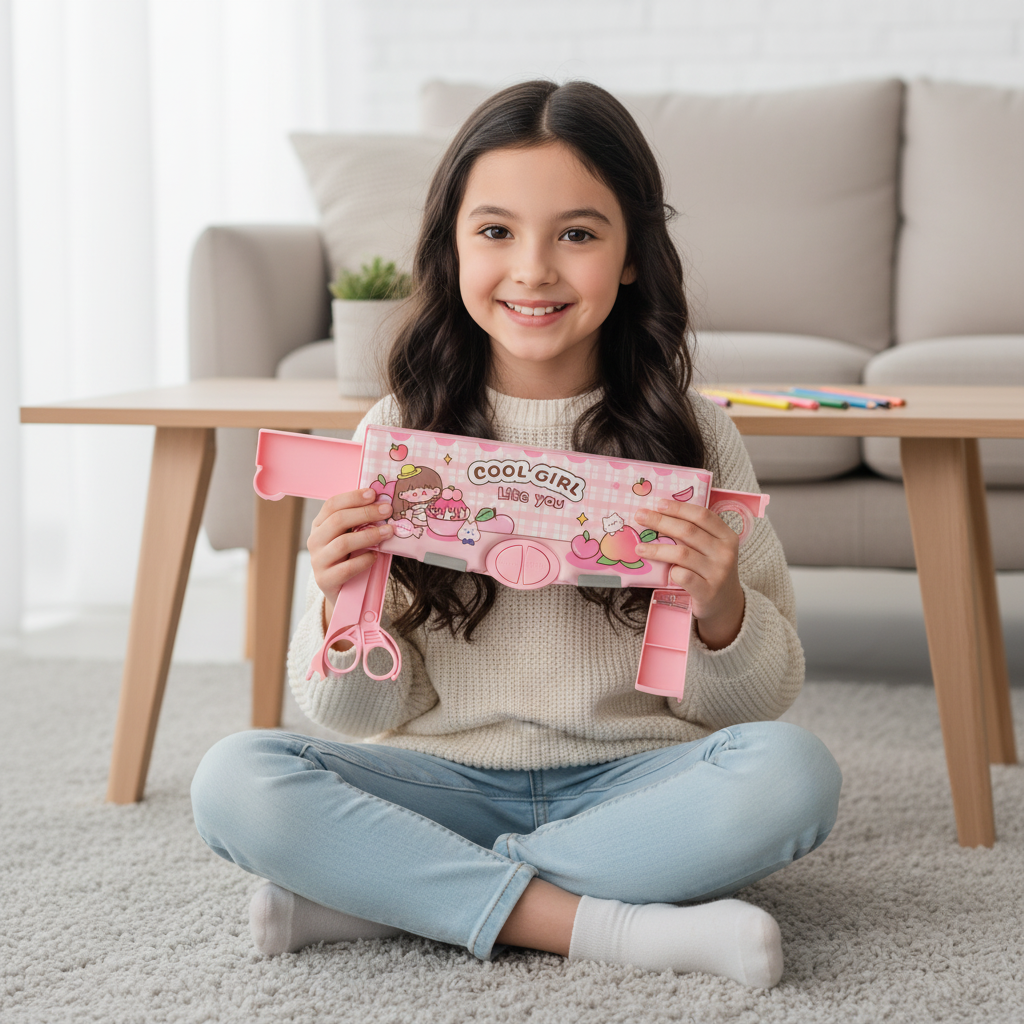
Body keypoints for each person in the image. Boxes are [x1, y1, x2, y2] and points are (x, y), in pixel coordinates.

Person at [190, 80, 841, 989]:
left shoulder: (693, 433)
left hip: (631, 782)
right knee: (233, 779)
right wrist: (347, 610)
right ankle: (614, 927)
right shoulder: (396, 430)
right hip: (442, 784)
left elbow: (753, 709)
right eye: (495, 231)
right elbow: (350, 714)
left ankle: (389, 898)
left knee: (792, 774)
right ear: (451, 247)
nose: (533, 269)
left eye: (577, 233)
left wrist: (722, 611)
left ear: (630, 257)